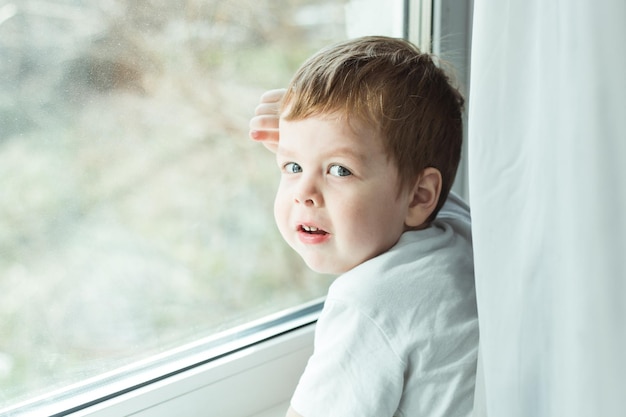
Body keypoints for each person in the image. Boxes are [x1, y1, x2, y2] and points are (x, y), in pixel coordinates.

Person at [249, 36, 478, 417]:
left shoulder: (368, 303)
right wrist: (315, 141)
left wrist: (307, 148)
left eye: (339, 170)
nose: (304, 194)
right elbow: (427, 192)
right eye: (292, 167)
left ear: (421, 196)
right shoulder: (458, 233)